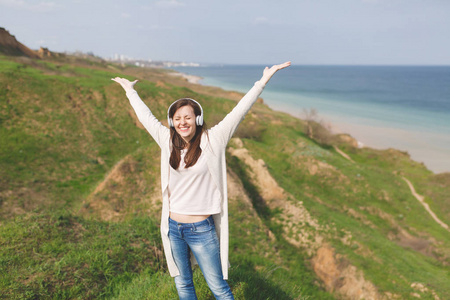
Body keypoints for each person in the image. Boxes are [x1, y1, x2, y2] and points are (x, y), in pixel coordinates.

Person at [112, 61, 291, 299]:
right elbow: (147, 118)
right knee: (183, 285)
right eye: (177, 118)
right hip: (173, 228)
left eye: (187, 117)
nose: (182, 122)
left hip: (201, 230)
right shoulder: (167, 141)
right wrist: (130, 91)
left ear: (197, 119)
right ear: (172, 122)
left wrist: (262, 81)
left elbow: (239, 110)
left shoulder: (213, 140)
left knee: (218, 288)